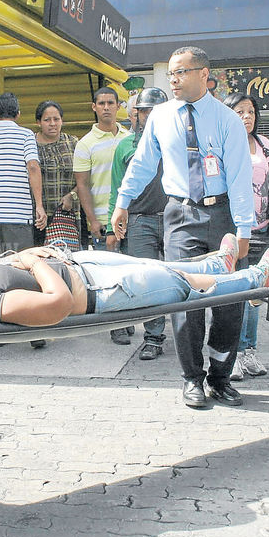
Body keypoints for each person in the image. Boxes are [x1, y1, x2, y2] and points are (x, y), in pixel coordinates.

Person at [111, 46, 254, 409]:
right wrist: (122, 202)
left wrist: (243, 232)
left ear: (204, 74)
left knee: (227, 302)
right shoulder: (160, 116)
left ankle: (221, 378)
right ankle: (192, 379)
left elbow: (239, 177)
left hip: (221, 215)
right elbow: (143, 163)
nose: (173, 80)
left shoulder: (226, 119)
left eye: (181, 72)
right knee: (185, 299)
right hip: (179, 216)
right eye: (170, 74)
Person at [0, 235, 269, 328]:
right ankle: (254, 279)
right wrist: (34, 261)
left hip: (83, 263)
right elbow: (59, 303)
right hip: (101, 291)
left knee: (164, 268)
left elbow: (13, 266)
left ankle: (218, 265)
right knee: (180, 285)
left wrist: (26, 255)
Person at [107, 87, 169, 360]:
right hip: (139, 221)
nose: (149, 116)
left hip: (175, 219)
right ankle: (154, 337)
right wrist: (113, 228)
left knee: (182, 277)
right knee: (147, 282)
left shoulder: (178, 142)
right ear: (137, 115)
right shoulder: (125, 146)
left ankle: (187, 332)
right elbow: (116, 189)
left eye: (155, 111)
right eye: (145, 111)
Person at [223, 93, 269, 380]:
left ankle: (248, 352)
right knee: (234, 293)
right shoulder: (221, 144)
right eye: (240, 111)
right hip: (232, 231)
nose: (247, 117)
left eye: (251, 112)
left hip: (262, 230)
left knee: (255, 295)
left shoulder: (264, 145)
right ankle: (230, 354)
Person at [74, 86, 131, 344]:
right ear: (93, 107)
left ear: (119, 106)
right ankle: (114, 324)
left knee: (130, 271)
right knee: (108, 275)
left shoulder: (130, 138)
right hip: (102, 220)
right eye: (102, 103)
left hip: (130, 218)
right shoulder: (85, 144)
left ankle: (128, 318)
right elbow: (82, 185)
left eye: (111, 102)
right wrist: (92, 220)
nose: (106, 107)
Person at [0, 92, 47, 263]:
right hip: (17, 217)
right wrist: (39, 205)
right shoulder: (26, 135)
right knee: (19, 268)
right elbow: (33, 167)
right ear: (18, 114)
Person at [33, 100, 79, 246]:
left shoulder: (73, 143)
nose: (52, 123)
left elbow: (86, 177)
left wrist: (72, 195)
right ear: (38, 122)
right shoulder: (30, 144)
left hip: (68, 215)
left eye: (56, 119)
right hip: (39, 217)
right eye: (47, 120)